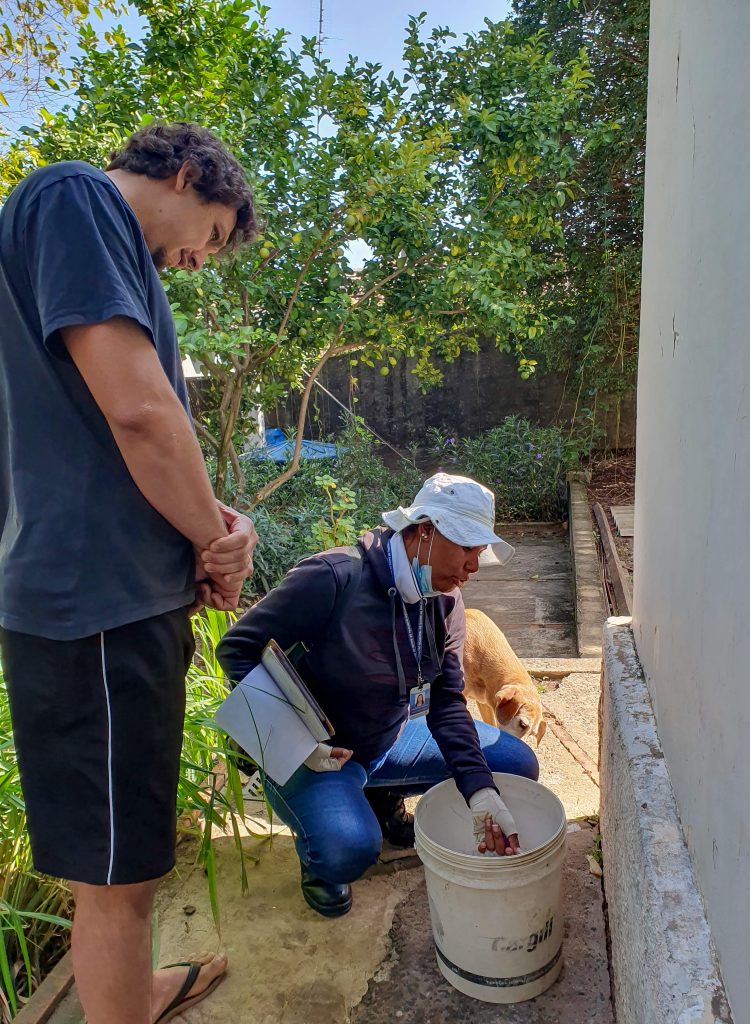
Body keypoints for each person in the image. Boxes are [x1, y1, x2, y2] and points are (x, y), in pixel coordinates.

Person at [0, 123, 260, 1024]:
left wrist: (214, 520)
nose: (199, 259)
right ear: (187, 174)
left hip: (101, 600)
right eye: (213, 234)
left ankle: (126, 990)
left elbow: (139, 432)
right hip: (97, 607)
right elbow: (142, 413)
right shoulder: (79, 198)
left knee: (115, 859)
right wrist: (216, 542)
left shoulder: (96, 244)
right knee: (118, 877)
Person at [216, 473, 539, 919]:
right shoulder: (335, 577)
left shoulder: (445, 601)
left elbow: (446, 702)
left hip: (388, 736)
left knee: (515, 767)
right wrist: (294, 741)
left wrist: (480, 792)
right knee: (349, 850)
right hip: (319, 752)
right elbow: (236, 648)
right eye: (467, 547)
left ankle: (379, 795)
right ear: (424, 529)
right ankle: (319, 854)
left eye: (480, 552)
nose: (474, 566)